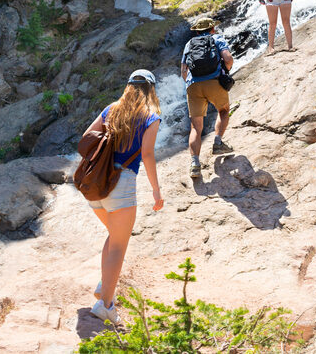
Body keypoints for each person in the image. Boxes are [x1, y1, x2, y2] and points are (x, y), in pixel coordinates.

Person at [82, 69, 164, 324]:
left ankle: (104, 286)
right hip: (122, 184)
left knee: (114, 237)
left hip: (95, 185)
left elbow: (86, 139)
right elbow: (148, 154)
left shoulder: (111, 109)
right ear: (151, 90)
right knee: (119, 244)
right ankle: (105, 305)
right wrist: (156, 190)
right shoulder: (151, 117)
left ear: (128, 87)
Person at [181, 18, 234, 179]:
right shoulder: (217, 38)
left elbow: (184, 70)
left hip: (193, 85)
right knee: (223, 110)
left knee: (196, 127)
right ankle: (218, 142)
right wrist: (225, 72)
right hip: (214, 81)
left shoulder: (189, 44)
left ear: (197, 31)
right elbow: (228, 59)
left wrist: (191, 84)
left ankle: (195, 164)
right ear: (212, 29)